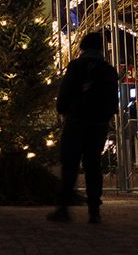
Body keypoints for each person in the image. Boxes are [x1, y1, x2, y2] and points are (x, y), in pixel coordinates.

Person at [47, 31, 118, 224]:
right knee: (93, 166)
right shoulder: (108, 70)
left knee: (70, 164)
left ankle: (63, 209)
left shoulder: (76, 67)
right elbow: (113, 102)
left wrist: (63, 109)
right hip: (98, 125)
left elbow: (65, 92)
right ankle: (94, 210)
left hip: (76, 122)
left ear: (83, 47)